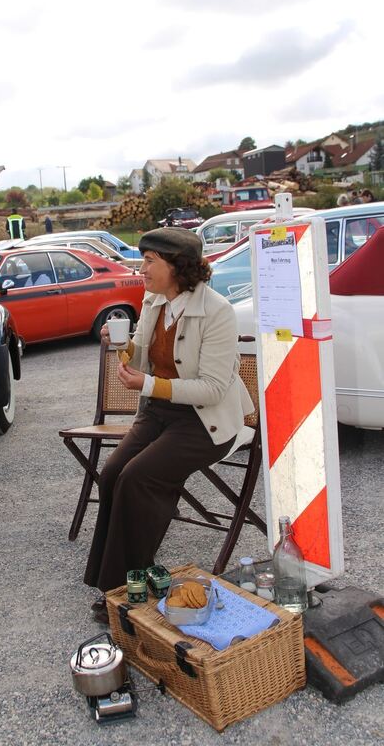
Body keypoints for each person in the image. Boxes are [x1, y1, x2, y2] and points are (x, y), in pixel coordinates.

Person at [84, 228, 254, 624]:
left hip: (205, 422)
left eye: (149, 260)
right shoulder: (155, 299)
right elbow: (142, 355)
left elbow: (212, 390)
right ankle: (116, 581)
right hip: (160, 413)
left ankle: (125, 589)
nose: (140, 267)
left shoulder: (217, 312)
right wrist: (122, 345)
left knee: (139, 478)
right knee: (111, 473)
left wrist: (146, 384)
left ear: (177, 267)